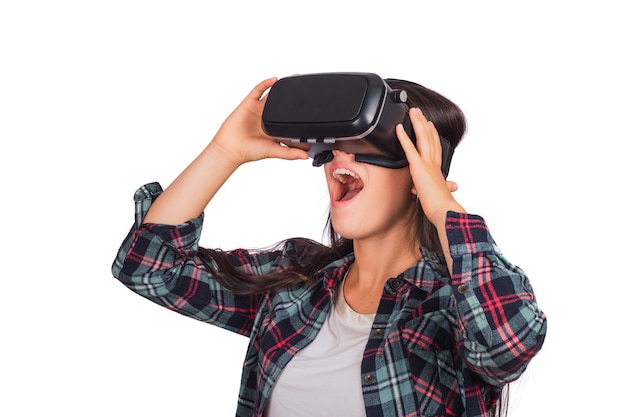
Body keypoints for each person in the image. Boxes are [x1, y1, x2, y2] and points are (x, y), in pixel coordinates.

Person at [112, 76, 547, 417]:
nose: (341, 159)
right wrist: (224, 151)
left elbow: (505, 346)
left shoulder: (451, 303)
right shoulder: (295, 282)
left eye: (366, 147)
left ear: (419, 174)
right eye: (336, 147)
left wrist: (444, 207)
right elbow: (148, 268)